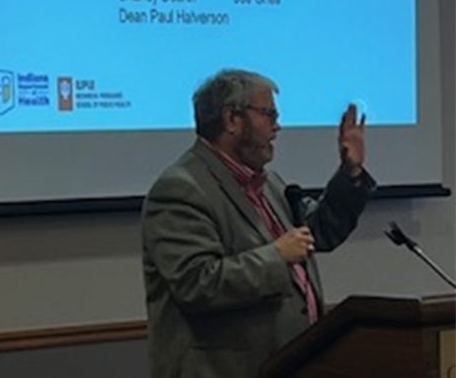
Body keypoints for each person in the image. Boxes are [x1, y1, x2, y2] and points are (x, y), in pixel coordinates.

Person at [142, 69, 376, 378]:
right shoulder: (181, 189)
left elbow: (319, 232)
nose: (277, 126)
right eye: (268, 114)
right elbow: (196, 283)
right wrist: (276, 257)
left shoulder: (267, 184)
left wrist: (350, 173)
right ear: (231, 119)